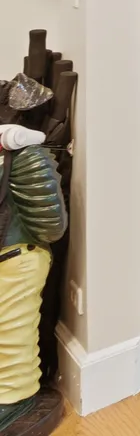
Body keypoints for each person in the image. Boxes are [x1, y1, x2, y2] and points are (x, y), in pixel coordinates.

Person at [0, 123, 66, 435]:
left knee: (10, 335)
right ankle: (12, 403)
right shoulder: (22, 157)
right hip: (13, 257)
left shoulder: (24, 157)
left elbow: (50, 223)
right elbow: (52, 225)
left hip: (15, 261)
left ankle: (12, 403)